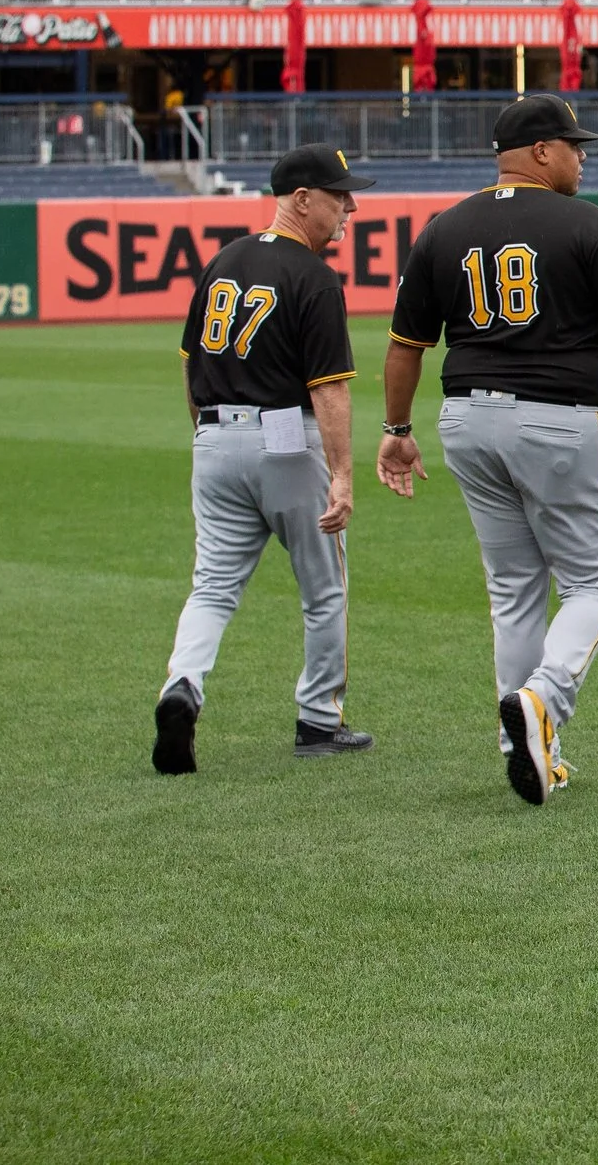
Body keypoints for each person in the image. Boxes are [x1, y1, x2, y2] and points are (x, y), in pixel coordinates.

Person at [378, 94, 598, 806]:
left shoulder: (444, 227)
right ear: (541, 152)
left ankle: (525, 739)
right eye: (575, 146)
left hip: (465, 419)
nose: (582, 157)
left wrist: (397, 429)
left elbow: (406, 345)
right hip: (557, 418)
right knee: (593, 585)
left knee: (513, 588)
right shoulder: (583, 222)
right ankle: (542, 702)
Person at [154, 143, 377, 776]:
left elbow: (189, 363)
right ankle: (318, 720)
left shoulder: (224, 260)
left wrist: (207, 437)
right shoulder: (313, 277)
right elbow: (329, 388)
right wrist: (342, 476)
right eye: (339, 196)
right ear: (301, 200)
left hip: (214, 437)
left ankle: (183, 686)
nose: (351, 207)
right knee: (323, 588)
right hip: (285, 440)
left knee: (212, 587)